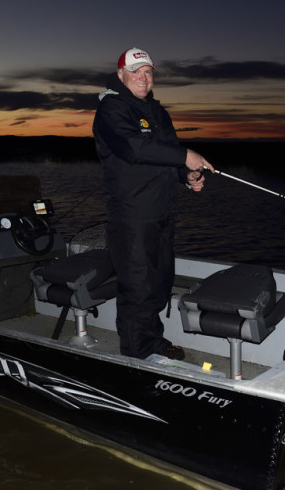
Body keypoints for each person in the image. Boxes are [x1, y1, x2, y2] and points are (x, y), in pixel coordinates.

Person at [93, 47, 214, 360]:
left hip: (162, 211)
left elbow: (164, 156)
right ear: (121, 74)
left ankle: (153, 342)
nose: (143, 78)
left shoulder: (157, 112)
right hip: (133, 215)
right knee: (137, 289)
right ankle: (137, 356)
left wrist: (184, 176)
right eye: (136, 72)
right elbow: (134, 148)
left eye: (148, 72)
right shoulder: (112, 108)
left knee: (159, 284)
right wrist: (185, 155)